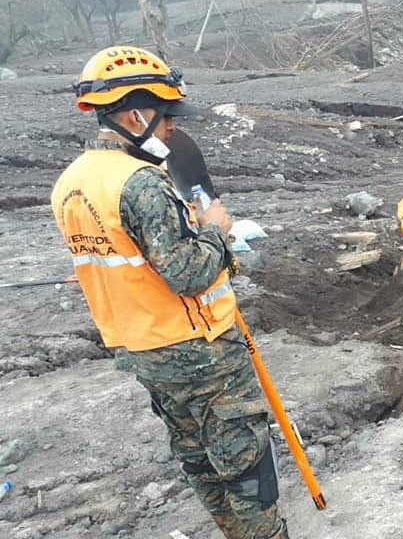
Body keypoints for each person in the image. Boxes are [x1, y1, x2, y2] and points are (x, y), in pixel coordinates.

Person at [51, 46, 288, 539]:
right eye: (166, 117)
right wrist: (218, 230)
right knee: (245, 465)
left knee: (198, 455)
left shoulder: (71, 183)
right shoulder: (140, 184)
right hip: (198, 350)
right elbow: (188, 274)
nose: (173, 128)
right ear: (136, 114)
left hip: (140, 347)